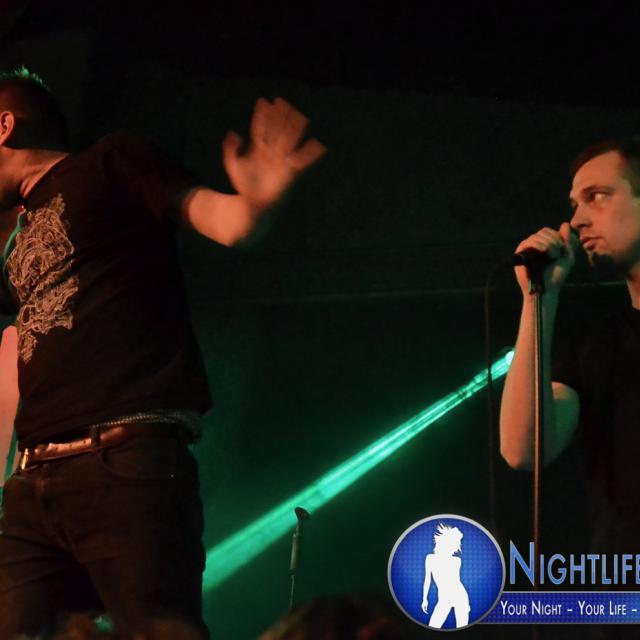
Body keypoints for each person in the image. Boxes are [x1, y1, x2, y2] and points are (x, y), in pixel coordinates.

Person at [0, 67, 325, 639]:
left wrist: (252, 207)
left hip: (126, 462)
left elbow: (224, 220)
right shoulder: (15, 241)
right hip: (31, 486)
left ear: (4, 125)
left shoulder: (110, 162)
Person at [500, 137, 640, 559]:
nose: (577, 220)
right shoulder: (595, 344)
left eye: (597, 196)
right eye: (575, 204)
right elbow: (522, 450)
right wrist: (539, 300)